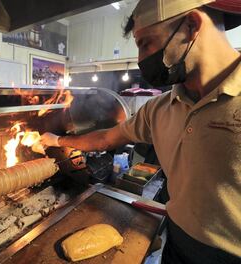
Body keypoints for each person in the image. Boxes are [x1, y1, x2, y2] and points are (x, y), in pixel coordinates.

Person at [41, 0, 241, 263]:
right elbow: (106, 137)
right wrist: (58, 140)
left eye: (145, 43)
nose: (140, 60)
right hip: (176, 244)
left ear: (192, 25)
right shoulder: (158, 109)